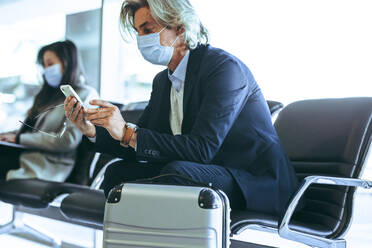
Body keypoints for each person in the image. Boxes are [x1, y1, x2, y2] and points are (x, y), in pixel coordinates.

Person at [65, 0, 298, 215]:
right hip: (203, 172)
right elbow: (143, 143)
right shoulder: (163, 81)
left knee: (177, 173)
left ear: (180, 28)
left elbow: (202, 149)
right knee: (118, 173)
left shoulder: (224, 69)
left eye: (147, 30)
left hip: (250, 180)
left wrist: (128, 132)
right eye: (138, 32)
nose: (141, 40)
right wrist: (93, 131)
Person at [0, 40, 99, 181]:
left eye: (51, 64)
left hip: (47, 164)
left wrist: (19, 139)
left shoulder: (86, 95)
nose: (47, 70)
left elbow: (67, 140)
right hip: (24, 153)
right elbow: (31, 132)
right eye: (44, 65)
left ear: (68, 64)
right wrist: (8, 136)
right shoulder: (50, 96)